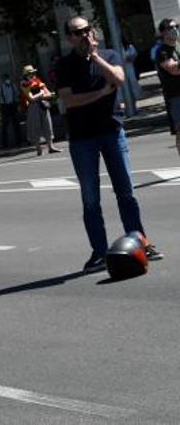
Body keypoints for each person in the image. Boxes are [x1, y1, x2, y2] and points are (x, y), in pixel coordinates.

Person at [56, 16, 163, 272]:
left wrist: (95, 58)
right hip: (83, 139)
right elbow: (68, 101)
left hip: (113, 132)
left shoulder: (108, 55)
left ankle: (140, 241)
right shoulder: (64, 65)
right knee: (91, 199)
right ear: (69, 38)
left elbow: (120, 78)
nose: (84, 35)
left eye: (86, 29)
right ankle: (99, 253)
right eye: (77, 32)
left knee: (126, 192)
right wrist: (101, 94)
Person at [20, 65, 61, 156]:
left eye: (33, 72)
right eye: (30, 73)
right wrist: (41, 94)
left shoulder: (37, 80)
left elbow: (48, 93)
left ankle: (51, 147)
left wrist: (48, 94)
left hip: (43, 105)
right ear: (26, 74)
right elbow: (31, 98)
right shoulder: (24, 83)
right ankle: (39, 149)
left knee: (47, 124)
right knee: (36, 126)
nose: (33, 74)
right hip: (33, 107)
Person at [155, 18, 180, 157]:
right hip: (175, 96)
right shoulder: (162, 51)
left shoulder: (178, 46)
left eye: (176, 26)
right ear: (163, 32)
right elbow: (173, 69)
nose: (175, 29)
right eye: (171, 27)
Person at [0, 73, 23, 148]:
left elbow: (17, 94)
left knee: (16, 124)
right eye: (5, 79)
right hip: (5, 106)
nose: (6, 80)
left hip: (13, 105)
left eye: (7, 78)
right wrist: (2, 102)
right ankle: (5, 144)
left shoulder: (13, 85)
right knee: (4, 126)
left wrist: (15, 101)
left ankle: (19, 142)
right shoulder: (0, 87)